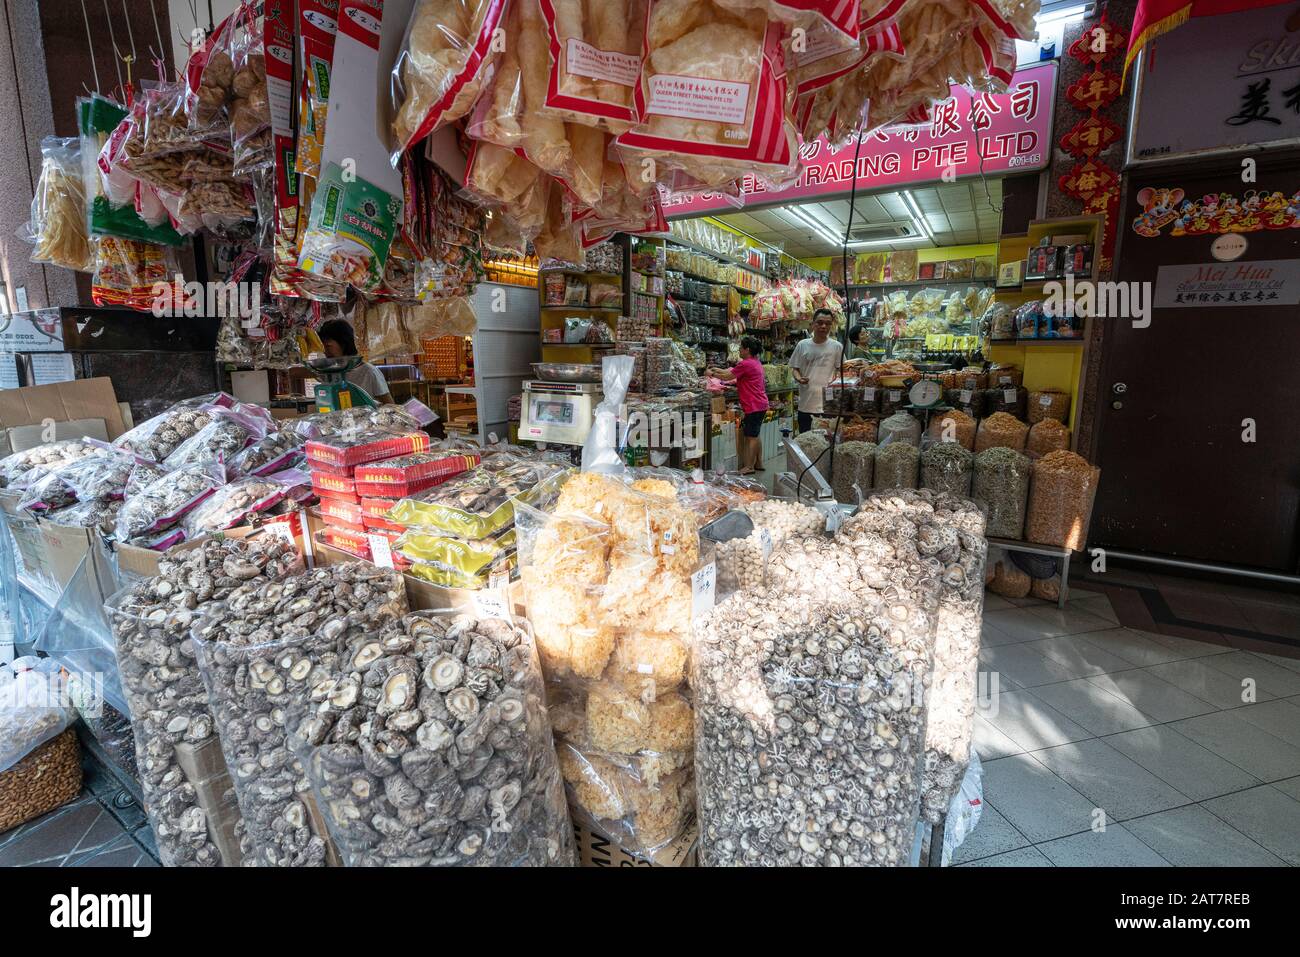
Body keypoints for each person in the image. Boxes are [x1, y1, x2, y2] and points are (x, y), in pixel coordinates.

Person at [709, 337, 768, 474]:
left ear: (747, 350)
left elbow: (728, 377)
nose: (739, 350)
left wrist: (711, 374)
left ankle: (749, 466)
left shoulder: (746, 363)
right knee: (755, 434)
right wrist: (717, 369)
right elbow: (730, 373)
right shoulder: (755, 362)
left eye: (741, 348)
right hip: (760, 404)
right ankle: (758, 462)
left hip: (754, 405)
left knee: (751, 436)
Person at [789, 308, 843, 434]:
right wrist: (798, 378)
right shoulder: (803, 345)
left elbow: (842, 371)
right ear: (813, 324)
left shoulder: (837, 347)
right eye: (820, 322)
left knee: (826, 443)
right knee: (805, 443)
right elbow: (795, 368)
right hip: (806, 404)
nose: (823, 326)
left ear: (831, 325)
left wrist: (836, 382)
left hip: (829, 406)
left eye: (828, 323)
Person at [317, 318, 393, 403]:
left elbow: (391, 406)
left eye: (327, 346)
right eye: (322, 347)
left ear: (343, 343)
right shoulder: (330, 374)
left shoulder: (369, 372)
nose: (324, 351)